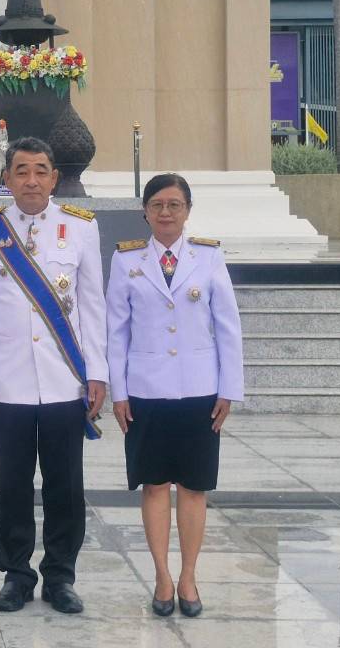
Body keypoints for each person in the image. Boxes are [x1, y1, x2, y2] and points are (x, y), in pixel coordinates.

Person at [0, 137, 107, 615]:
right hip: (7, 382)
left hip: (65, 379)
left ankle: (60, 575)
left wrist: (98, 374)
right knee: (13, 483)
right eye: (21, 171)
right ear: (6, 178)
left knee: (66, 484)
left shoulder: (81, 228)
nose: (31, 180)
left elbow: (92, 307)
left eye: (41, 171)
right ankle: (16, 574)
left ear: (54, 178)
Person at [106, 172, 244, 619]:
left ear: (187, 210)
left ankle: (188, 576)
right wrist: (119, 392)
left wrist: (229, 388)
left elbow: (228, 327)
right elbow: (116, 333)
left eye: (175, 205)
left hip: (199, 390)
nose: (166, 213)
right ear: (145, 211)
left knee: (194, 487)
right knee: (153, 486)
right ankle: (162, 577)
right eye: (158, 205)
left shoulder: (208, 258)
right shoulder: (126, 261)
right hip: (146, 391)